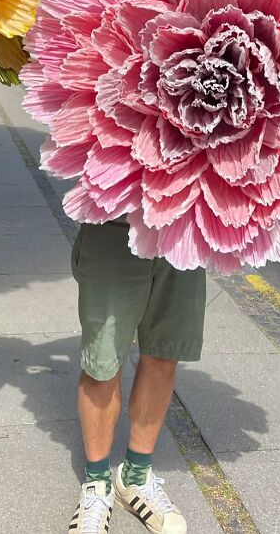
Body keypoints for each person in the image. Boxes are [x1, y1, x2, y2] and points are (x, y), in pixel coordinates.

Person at [67, 220, 206, 533]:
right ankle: (97, 484)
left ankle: (135, 477)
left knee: (164, 352)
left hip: (185, 225)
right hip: (116, 221)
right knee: (101, 363)